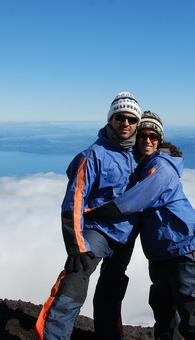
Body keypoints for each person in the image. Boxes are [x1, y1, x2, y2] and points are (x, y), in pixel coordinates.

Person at [85, 111, 195, 340]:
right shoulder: (142, 165)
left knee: (191, 309)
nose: (147, 140)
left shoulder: (161, 166)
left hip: (182, 245)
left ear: (160, 139)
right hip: (158, 251)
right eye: (142, 135)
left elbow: (133, 201)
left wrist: (92, 213)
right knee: (163, 310)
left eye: (153, 136)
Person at [36, 92, 143, 340]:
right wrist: (76, 246)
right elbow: (73, 202)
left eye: (131, 119)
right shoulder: (92, 156)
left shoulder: (140, 155)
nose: (125, 123)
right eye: (120, 118)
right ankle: (54, 336)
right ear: (110, 120)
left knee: (112, 287)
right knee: (76, 278)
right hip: (97, 232)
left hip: (125, 236)